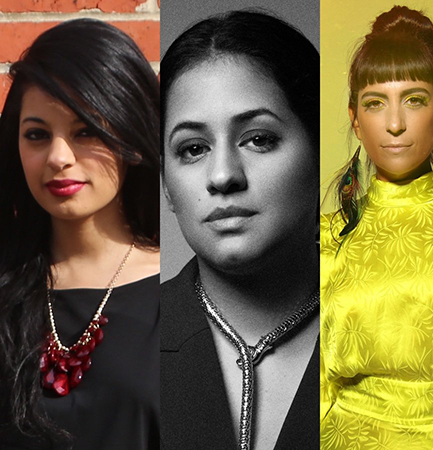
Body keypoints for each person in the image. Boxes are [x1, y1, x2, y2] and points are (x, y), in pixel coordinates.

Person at [319, 6, 433, 449]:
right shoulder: (327, 240)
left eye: (414, 100)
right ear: (354, 118)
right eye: (375, 103)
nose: (394, 123)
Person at [159, 10, 320, 450]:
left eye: (258, 139)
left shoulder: (407, 337)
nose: (223, 175)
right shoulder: (116, 346)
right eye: (193, 149)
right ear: (166, 184)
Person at [0, 19, 160, 449]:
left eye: (85, 130)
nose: (57, 157)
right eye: (37, 135)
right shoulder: (7, 282)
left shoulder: (188, 289)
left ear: (132, 136)